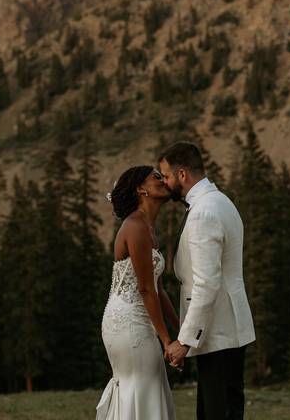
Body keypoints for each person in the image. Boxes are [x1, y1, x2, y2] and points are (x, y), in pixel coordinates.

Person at [159, 142, 255, 420]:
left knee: (217, 413)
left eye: (166, 176)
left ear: (182, 175)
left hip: (218, 331)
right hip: (227, 330)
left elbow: (206, 283)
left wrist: (185, 340)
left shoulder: (202, 213)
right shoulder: (221, 201)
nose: (164, 183)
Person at [96, 166, 180, 420]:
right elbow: (145, 288)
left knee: (149, 384)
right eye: (156, 176)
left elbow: (158, 288)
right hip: (128, 321)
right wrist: (166, 341)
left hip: (141, 316)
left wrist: (182, 332)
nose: (163, 179)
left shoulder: (148, 227)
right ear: (140, 189)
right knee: (142, 386)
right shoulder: (135, 226)